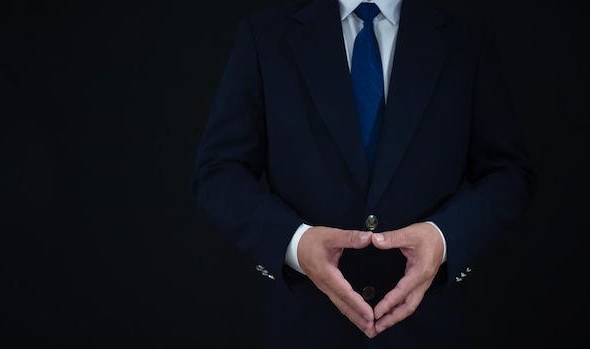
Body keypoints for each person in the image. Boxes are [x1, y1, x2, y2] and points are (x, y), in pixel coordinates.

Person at [191, 0, 536, 347]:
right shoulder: (264, 36)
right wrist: (295, 242)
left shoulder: (466, 42)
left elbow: (508, 174)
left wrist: (443, 238)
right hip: (304, 328)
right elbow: (219, 172)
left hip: (431, 328)